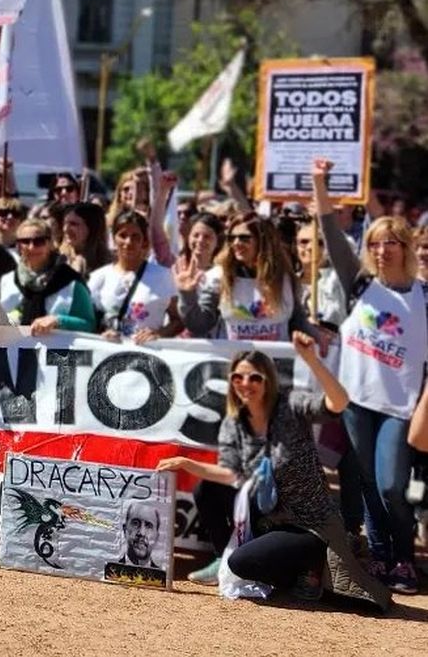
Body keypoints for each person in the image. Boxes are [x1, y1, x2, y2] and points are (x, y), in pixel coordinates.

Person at [157, 340, 389, 610]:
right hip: (269, 515)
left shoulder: (291, 405)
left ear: (268, 380)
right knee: (206, 489)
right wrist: (186, 463)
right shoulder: (235, 422)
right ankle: (223, 556)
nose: (246, 383)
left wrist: (313, 360)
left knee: (242, 564)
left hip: (309, 523)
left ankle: (311, 567)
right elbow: (231, 473)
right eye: (238, 377)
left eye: (254, 377)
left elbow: (337, 403)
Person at [312, 159, 426, 593]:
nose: (381, 251)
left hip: (401, 407)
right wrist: (321, 183)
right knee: (366, 485)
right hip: (356, 401)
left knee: (393, 486)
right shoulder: (359, 285)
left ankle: (403, 555)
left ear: (406, 246)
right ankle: (382, 558)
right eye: (375, 244)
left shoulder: (424, 296)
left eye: (391, 243)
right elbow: (329, 229)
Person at [176, 212, 314, 343]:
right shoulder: (219, 277)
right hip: (236, 363)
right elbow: (200, 325)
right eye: (232, 238)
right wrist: (187, 294)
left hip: (277, 364)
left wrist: (317, 335)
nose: (236, 243)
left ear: (262, 240)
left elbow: (298, 321)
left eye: (244, 238)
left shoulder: (285, 278)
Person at [89, 210, 179, 342]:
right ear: (114, 239)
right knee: (55, 357)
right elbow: (88, 320)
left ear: (144, 241)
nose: (128, 242)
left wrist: (158, 335)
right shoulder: (98, 277)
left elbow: (178, 321)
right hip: (106, 356)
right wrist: (100, 333)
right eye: (122, 235)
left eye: (135, 237)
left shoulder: (163, 276)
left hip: (145, 356)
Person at [0, 219, 95, 335]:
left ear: (50, 243)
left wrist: (58, 321)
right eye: (25, 241)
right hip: (14, 350)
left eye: (39, 241)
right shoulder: (8, 280)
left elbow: (89, 325)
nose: (31, 247)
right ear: (18, 246)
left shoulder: (71, 282)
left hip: (58, 352)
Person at [56, 201, 111, 278]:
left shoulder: (110, 265)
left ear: (92, 228)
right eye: (65, 223)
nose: (65, 229)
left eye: (73, 224)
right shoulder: (57, 259)